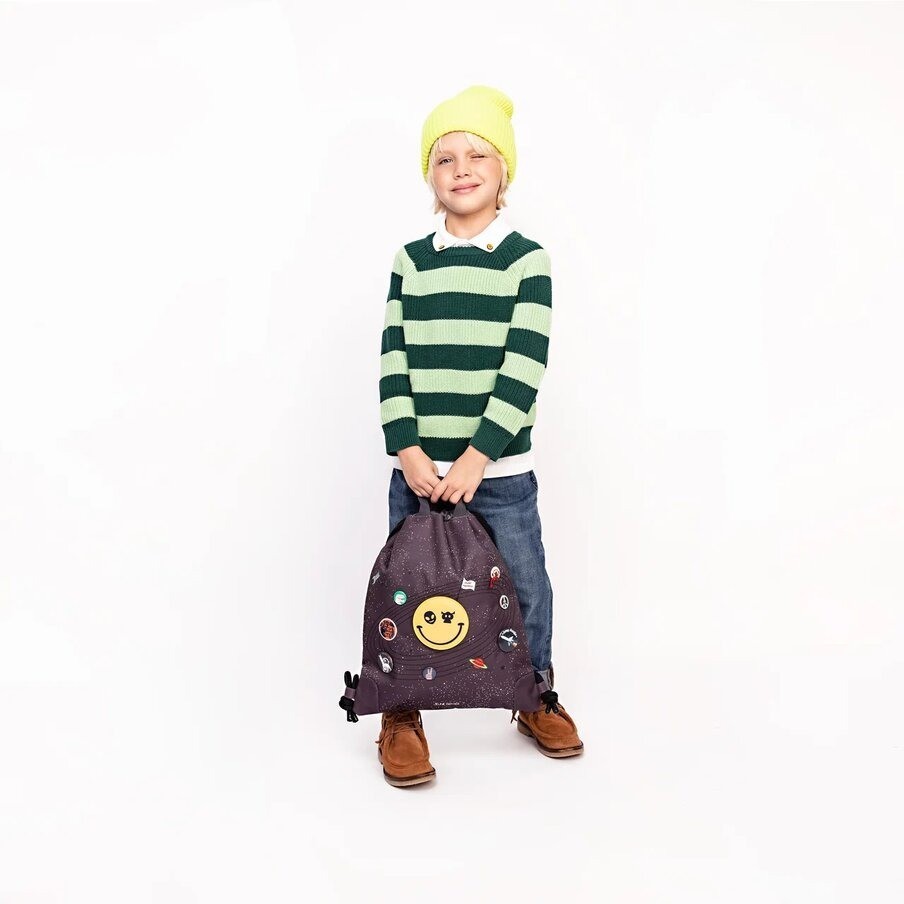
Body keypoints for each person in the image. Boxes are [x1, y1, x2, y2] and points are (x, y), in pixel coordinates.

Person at [376, 85, 583, 787]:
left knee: (523, 586)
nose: (461, 169)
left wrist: (477, 456)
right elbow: (394, 358)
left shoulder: (527, 260)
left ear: (504, 170)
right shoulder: (411, 261)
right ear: (429, 176)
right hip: (419, 472)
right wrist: (407, 447)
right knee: (409, 593)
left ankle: (533, 694)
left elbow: (524, 366)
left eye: (478, 155)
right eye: (444, 158)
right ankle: (400, 710)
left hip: (498, 472)